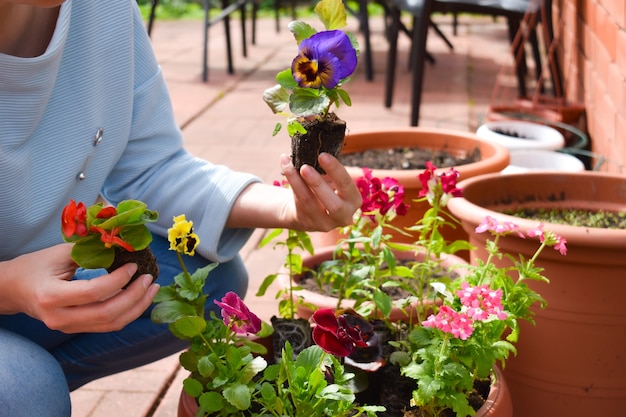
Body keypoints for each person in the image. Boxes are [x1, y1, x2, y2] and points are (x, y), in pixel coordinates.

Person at [0, 1, 362, 416]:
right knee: (28, 389)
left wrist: (290, 208)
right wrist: (9, 286)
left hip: (38, 286)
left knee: (208, 280)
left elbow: (151, 166)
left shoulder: (102, 10)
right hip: (13, 286)